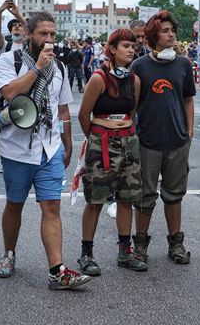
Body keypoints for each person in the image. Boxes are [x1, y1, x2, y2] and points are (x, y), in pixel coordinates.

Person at [0, 11, 90, 289]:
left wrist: (68, 142)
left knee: (52, 206)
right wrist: (36, 68)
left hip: (50, 148)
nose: (49, 39)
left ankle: (56, 270)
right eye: (43, 34)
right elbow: (10, 94)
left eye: (52, 34)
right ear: (29, 35)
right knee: (15, 204)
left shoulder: (58, 67)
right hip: (17, 149)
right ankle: (9, 254)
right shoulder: (9, 60)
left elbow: (62, 108)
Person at [76, 28, 146, 276]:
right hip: (102, 143)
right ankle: (86, 254)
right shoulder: (99, 78)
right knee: (95, 200)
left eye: (133, 46)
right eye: (126, 46)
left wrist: (124, 134)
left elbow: (132, 113)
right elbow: (84, 115)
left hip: (128, 142)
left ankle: (124, 251)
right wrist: (96, 139)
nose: (131, 50)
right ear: (113, 49)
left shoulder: (134, 80)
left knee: (128, 198)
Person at [130, 10, 196, 266]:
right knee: (145, 197)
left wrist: (189, 133)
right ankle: (141, 245)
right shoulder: (140, 66)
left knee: (174, 195)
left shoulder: (183, 64)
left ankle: (175, 244)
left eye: (172, 30)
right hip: (147, 142)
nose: (171, 35)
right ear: (152, 36)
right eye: (165, 31)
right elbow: (133, 105)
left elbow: (188, 100)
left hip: (177, 141)